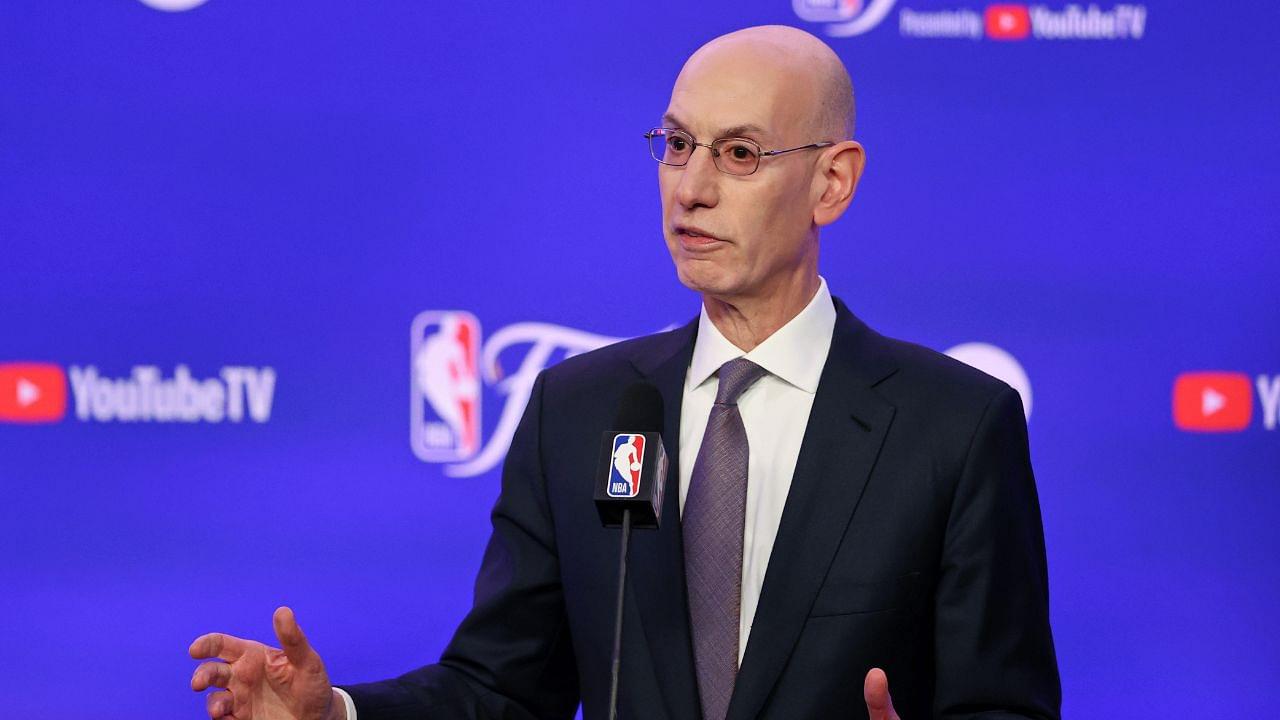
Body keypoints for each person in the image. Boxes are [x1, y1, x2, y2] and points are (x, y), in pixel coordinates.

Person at [189, 25, 1060, 720]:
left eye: (740, 154)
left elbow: (1003, 704)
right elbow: (501, 690)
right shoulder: (583, 410)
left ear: (832, 183)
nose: (691, 188)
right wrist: (334, 715)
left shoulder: (952, 426)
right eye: (677, 145)